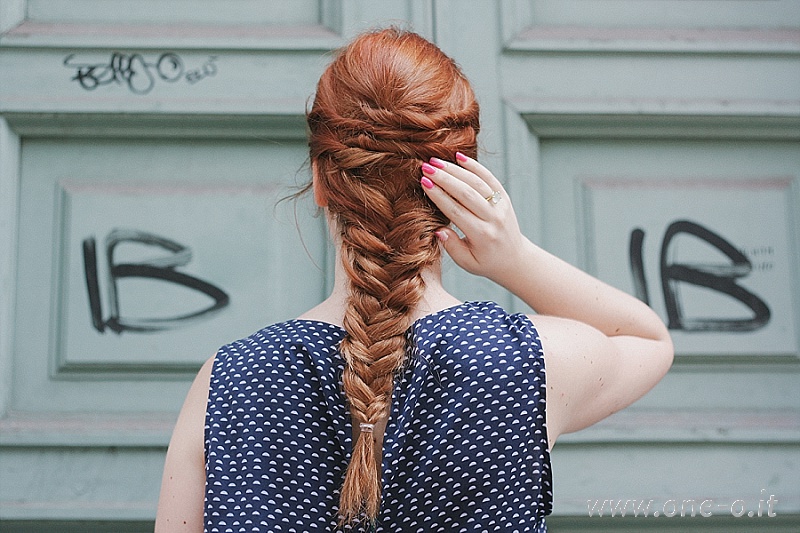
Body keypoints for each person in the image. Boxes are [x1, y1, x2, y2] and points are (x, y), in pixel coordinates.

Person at [155, 27, 673, 532]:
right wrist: (514, 258)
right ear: (461, 181)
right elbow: (648, 339)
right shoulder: (524, 365)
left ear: (320, 181)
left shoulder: (227, 382)